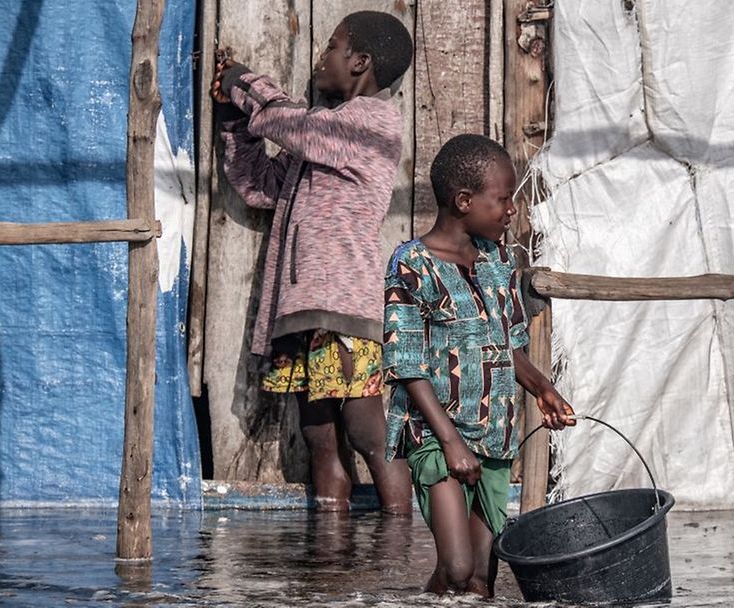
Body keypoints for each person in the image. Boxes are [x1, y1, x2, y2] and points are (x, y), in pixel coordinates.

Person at [211, 11, 414, 514]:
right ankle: (330, 555)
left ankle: (399, 546)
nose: (320, 58)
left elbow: (296, 124)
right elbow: (259, 185)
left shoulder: (370, 122)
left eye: (331, 48)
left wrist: (242, 84)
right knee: (318, 435)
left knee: (366, 428)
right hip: (302, 306)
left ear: (360, 62)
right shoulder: (320, 135)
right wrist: (235, 121)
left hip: (342, 304)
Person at [382, 134, 576, 596]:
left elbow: (508, 345)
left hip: (494, 436)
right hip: (436, 435)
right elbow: (406, 364)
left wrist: (542, 388)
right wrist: (450, 443)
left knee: (481, 581)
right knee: (456, 566)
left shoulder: (497, 261)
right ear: (464, 201)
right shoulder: (413, 265)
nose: (512, 211)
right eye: (504, 200)